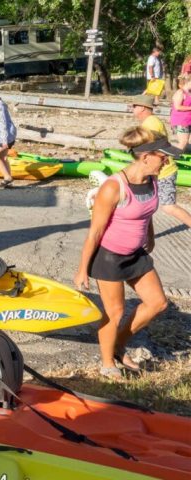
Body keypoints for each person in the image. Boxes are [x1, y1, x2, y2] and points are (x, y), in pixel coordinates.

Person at [75, 127, 172, 379]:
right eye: (163, 157)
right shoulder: (113, 187)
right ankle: (107, 363)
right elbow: (95, 231)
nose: (167, 161)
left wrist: (149, 236)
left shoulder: (151, 180)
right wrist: (82, 269)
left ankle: (118, 344)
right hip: (109, 257)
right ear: (146, 156)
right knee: (115, 312)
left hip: (135, 254)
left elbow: (146, 212)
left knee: (158, 303)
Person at [131, 94, 191, 228]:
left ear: (142, 108)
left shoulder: (151, 124)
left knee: (169, 207)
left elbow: (150, 150)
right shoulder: (150, 122)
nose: (132, 109)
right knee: (144, 203)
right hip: (155, 171)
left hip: (164, 171)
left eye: (134, 106)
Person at [170, 75, 191, 152]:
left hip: (188, 120)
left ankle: (182, 155)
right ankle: (175, 158)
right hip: (181, 121)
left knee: (187, 141)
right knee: (183, 142)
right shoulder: (180, 92)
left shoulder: (189, 93)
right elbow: (177, 107)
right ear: (188, 82)